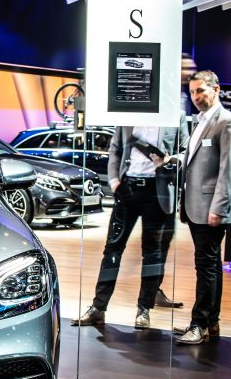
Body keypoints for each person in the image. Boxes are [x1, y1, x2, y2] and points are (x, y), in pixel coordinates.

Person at [72, 117, 188, 330]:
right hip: (128, 188)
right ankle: (98, 307)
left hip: (158, 190)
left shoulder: (174, 114)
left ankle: (144, 310)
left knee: (153, 253)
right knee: (112, 249)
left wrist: (170, 159)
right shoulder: (128, 114)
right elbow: (115, 149)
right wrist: (115, 182)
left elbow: (186, 151)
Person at [174, 70, 231, 345]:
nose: (196, 97)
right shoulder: (199, 121)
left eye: (201, 91)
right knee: (211, 266)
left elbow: (227, 171)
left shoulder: (225, 122)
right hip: (195, 205)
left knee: (206, 266)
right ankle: (212, 322)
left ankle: (199, 324)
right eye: (193, 92)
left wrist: (219, 207)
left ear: (216, 89)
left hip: (210, 208)